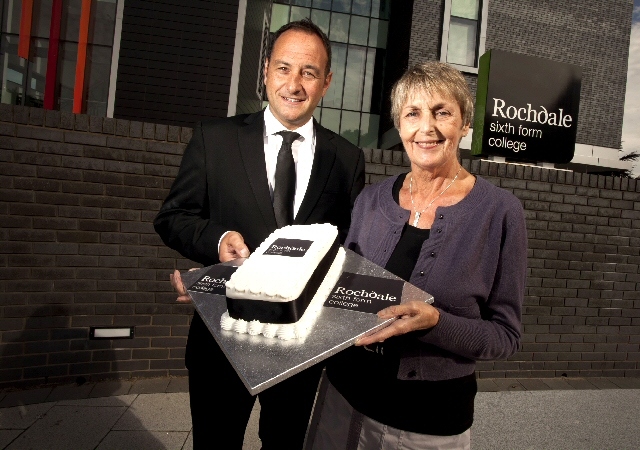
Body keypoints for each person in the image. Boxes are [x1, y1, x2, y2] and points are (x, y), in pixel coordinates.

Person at [154, 19, 365, 450]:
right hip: (223, 337)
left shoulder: (346, 158)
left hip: (300, 342)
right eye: (284, 68)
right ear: (265, 70)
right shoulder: (215, 139)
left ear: (326, 82)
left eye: (309, 72)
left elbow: (348, 247)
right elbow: (173, 216)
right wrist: (216, 240)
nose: (294, 83)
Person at [309, 62, 527, 449]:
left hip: (427, 421)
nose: (427, 127)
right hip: (340, 400)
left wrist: (435, 323)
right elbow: (340, 292)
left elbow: (505, 336)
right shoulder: (371, 200)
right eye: (413, 113)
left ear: (463, 123)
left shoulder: (499, 212)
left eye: (442, 112)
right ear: (400, 125)